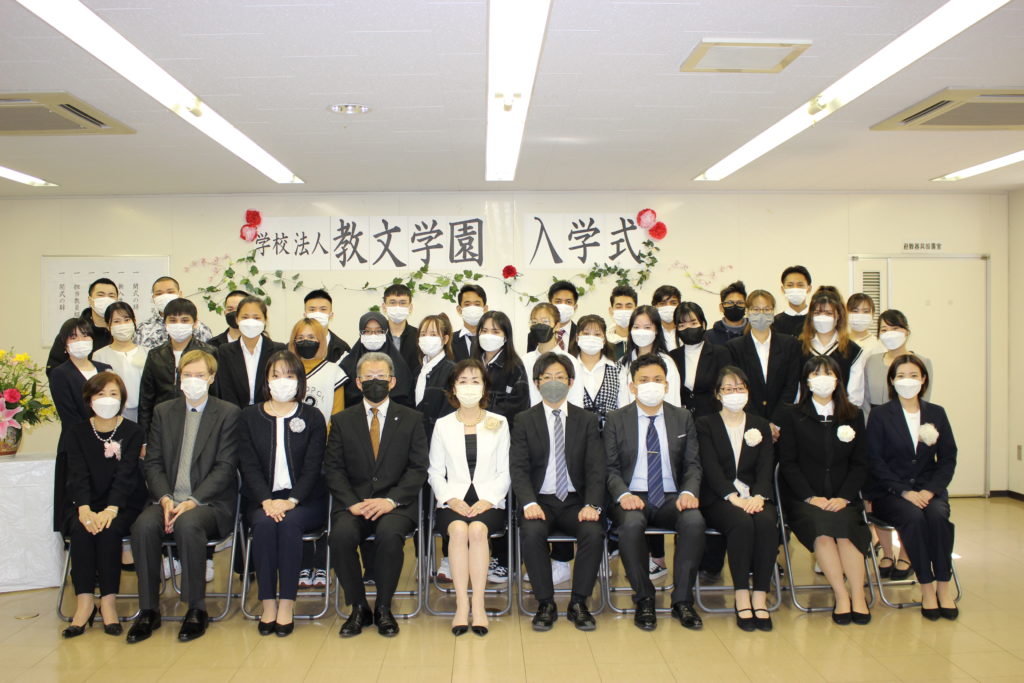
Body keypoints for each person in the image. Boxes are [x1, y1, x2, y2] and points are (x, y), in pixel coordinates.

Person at [127, 350, 240, 643]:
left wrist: (193, 501)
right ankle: (148, 609)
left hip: (208, 503)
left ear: (211, 378)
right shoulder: (164, 412)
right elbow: (153, 462)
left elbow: (225, 467)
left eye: (200, 375)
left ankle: (196, 608)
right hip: (166, 499)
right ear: (179, 378)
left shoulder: (228, 413)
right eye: (187, 375)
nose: (193, 381)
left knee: (188, 524)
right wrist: (165, 498)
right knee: (143, 526)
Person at [326, 352, 428, 638]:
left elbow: (418, 468)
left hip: (395, 503)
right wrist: (351, 503)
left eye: (381, 377)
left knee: (389, 536)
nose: (375, 382)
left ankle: (383, 607)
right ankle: (358, 607)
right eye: (368, 377)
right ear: (358, 383)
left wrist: (390, 500)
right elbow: (333, 469)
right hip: (354, 503)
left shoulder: (411, 419)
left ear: (392, 381)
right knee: (340, 536)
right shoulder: (342, 420)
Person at [604, 353, 705, 631]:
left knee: (694, 522)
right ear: (632, 386)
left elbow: (693, 465)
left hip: (673, 496)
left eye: (657, 380)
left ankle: (682, 600)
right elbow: (610, 468)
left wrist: (689, 492)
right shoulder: (616, 419)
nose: (651, 385)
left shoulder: (682, 417)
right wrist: (623, 495)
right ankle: (644, 597)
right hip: (632, 494)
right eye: (644, 380)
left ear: (667, 385)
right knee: (630, 525)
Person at [511, 353, 606, 632]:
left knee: (593, 532)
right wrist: (528, 503)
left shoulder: (586, 419)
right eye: (547, 377)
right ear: (537, 383)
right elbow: (518, 468)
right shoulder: (524, 420)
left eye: (560, 377)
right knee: (531, 532)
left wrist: (592, 505)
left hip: (576, 501)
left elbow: (596, 468)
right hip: (539, 500)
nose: (554, 382)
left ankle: (579, 603)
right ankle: (545, 603)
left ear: (571, 382)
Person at [238, 350, 328, 637]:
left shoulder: (312, 416)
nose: (282, 381)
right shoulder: (249, 416)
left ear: (299, 380)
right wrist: (266, 500)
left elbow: (313, 467)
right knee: (264, 526)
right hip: (262, 499)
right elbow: (248, 464)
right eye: (275, 375)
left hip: (304, 500)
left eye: (289, 375)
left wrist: (290, 501)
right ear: (266, 380)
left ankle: (287, 604)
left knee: (289, 525)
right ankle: (268, 604)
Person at [776, 356, 871, 625]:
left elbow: (860, 463)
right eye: (816, 374)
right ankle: (841, 596)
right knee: (823, 531)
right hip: (805, 499)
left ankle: (858, 595)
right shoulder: (792, 415)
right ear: (806, 381)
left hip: (843, 497)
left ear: (838, 379)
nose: (822, 379)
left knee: (847, 533)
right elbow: (788, 463)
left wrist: (844, 497)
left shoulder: (853, 414)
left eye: (828, 373)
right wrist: (810, 497)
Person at [866, 355, 958, 621]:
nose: (908, 381)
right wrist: (904, 491)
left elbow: (948, 458)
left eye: (914, 375)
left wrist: (930, 490)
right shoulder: (880, 415)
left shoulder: (936, 413)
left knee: (938, 516)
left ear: (923, 379)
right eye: (901, 376)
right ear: (892, 381)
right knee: (914, 518)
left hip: (928, 489)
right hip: (891, 492)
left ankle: (944, 586)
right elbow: (874, 460)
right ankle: (926, 586)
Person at [428, 359, 511, 636]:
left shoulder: (499, 423)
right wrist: (449, 499)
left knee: (477, 531)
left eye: (475, 381)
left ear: (484, 387)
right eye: (463, 381)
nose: (469, 386)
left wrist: (490, 499)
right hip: (453, 499)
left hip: (489, 500)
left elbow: (506, 470)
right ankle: (462, 604)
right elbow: (435, 471)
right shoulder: (443, 425)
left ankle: (479, 603)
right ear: (453, 387)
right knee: (458, 530)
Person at [63, 372, 146, 638]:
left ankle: (108, 603)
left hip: (123, 503)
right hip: (86, 503)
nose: (107, 399)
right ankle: (84, 603)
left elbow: (126, 474)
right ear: (90, 399)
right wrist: (84, 508)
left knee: (110, 530)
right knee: (81, 529)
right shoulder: (76, 432)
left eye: (113, 394)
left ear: (122, 399)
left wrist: (112, 508)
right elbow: (77, 473)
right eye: (100, 394)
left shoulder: (133, 431)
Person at [696, 367, 777, 632]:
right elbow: (710, 467)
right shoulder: (705, 424)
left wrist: (759, 496)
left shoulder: (760, 424)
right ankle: (741, 594)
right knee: (741, 523)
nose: (735, 393)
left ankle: (760, 595)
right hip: (719, 499)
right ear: (718, 394)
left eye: (740, 388)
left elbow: (766, 467)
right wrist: (733, 497)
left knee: (766, 523)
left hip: (755, 496)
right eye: (728, 389)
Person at [287, 317, 345, 590]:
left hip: (324, 452)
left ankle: (322, 564)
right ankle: (301, 564)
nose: (306, 342)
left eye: (312, 337)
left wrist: (327, 448)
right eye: (300, 337)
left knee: (323, 507)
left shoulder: (333, 371)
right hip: (290, 453)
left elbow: (338, 414)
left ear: (322, 341)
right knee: (296, 506)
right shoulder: (286, 370)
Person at [471, 310, 529, 583]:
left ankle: (508, 559)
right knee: (482, 498)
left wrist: (484, 417)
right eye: (484, 330)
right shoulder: (472, 365)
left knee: (504, 501)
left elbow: (518, 407)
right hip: (473, 445)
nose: (489, 336)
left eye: (495, 331)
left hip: (504, 445)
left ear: (506, 336)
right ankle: (491, 554)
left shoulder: (514, 367)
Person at [50, 317, 113, 531]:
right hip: (76, 447)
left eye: (85, 336)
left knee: (107, 509)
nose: (81, 341)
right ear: (64, 344)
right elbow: (69, 416)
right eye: (73, 337)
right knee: (80, 509)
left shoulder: (105, 369)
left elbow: (116, 406)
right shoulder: (60, 373)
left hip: (108, 444)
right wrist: (96, 438)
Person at [138, 298, 215, 439]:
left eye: (185, 320)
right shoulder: (155, 355)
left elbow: (216, 394)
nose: (178, 325)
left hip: (200, 420)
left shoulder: (209, 352)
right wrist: (144, 438)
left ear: (195, 323)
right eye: (173, 320)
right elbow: (146, 399)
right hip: (163, 421)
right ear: (165, 323)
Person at [726, 289, 801, 430]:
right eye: (756, 309)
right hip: (748, 422)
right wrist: (760, 423)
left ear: (773, 312)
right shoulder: (734, 347)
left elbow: (791, 386)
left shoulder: (789, 344)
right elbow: (738, 387)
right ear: (747, 312)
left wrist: (775, 423)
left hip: (782, 423)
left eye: (767, 309)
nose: (761, 314)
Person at [798, 287, 866, 407]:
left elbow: (855, 395)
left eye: (829, 313)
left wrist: (845, 414)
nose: (822, 317)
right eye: (817, 313)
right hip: (804, 414)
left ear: (839, 315)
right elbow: (795, 389)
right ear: (810, 316)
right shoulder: (799, 347)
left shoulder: (853, 350)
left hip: (841, 413)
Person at [215, 295, 286, 409]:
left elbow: (279, 386)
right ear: (237, 319)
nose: (250, 322)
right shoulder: (225, 351)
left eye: (256, 317)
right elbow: (226, 390)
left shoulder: (278, 350)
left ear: (265, 319)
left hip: (269, 412)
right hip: (235, 413)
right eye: (245, 317)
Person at [340, 311, 414, 408]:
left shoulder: (399, 365)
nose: (373, 335)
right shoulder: (347, 365)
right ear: (360, 333)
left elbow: (406, 398)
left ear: (386, 332)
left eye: (379, 331)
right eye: (367, 331)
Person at [864, 309, 933, 411]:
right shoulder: (872, 361)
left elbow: (924, 400)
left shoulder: (922, 362)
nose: (889, 334)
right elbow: (866, 400)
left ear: (907, 332)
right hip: (875, 417)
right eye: (884, 330)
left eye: (895, 328)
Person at [46, 278, 118, 376]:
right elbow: (54, 367)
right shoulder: (73, 330)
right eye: (100, 295)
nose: (106, 299)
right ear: (90, 300)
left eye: (111, 296)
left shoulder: (123, 331)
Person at [671, 302, 730, 417]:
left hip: (713, 418)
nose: (688, 328)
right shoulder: (672, 357)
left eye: (693, 323)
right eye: (682, 325)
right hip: (682, 420)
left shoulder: (720, 353)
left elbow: (726, 389)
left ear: (703, 324)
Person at [617, 305, 681, 409]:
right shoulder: (623, 363)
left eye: (647, 327)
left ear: (657, 330)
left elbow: (673, 401)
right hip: (630, 417)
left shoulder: (667, 362)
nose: (641, 332)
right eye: (636, 327)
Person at [93, 302, 147, 423]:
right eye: (117, 321)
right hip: (112, 414)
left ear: (134, 322)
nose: (122, 325)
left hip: (144, 414)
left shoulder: (148, 353)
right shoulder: (99, 356)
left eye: (127, 320)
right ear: (108, 326)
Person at [522, 303, 585, 407]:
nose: (539, 326)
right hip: (529, 416)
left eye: (545, 321)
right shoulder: (524, 361)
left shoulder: (571, 361)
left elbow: (576, 400)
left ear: (557, 326)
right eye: (534, 322)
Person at [569, 314, 623, 429]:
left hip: (610, 432)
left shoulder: (617, 368)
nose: (591, 338)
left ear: (604, 340)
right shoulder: (568, 368)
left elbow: (624, 407)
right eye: (586, 333)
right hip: (576, 431)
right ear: (577, 338)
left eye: (597, 334)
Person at [135, 276, 214, 350]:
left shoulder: (200, 329)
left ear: (180, 294)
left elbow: (209, 356)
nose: (165, 296)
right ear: (153, 298)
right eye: (159, 293)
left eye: (170, 292)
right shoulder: (142, 329)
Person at [415, 314, 456, 439]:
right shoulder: (417, 371)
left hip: (441, 437)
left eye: (433, 334)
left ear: (445, 339)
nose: (427, 338)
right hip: (418, 437)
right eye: (423, 334)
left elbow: (450, 411)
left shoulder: (452, 371)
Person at [527, 281, 579, 352]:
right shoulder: (535, 334)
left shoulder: (581, 334)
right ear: (550, 304)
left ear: (575, 307)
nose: (563, 305)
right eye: (558, 301)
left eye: (568, 302)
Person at [303, 289, 351, 362]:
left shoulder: (342, 349)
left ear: (331, 315)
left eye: (323, 309)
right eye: (312, 310)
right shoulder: (292, 347)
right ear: (305, 315)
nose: (318, 313)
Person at [382, 284, 420, 376]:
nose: (397, 307)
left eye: (403, 303)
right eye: (392, 302)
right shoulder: (375, 336)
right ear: (384, 307)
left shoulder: (419, 336)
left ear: (410, 307)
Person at [772, 265, 813, 338]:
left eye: (800, 285)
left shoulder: (816, 319)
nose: (795, 289)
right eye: (790, 285)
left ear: (809, 288)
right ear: (783, 289)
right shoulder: (775, 322)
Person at [705, 281, 749, 347]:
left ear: (746, 307)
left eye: (740, 303)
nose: (735, 306)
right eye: (730, 303)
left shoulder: (754, 333)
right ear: (721, 307)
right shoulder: (708, 337)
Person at [453, 284, 488, 362]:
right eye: (467, 304)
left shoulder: (492, 339)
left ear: (485, 309)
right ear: (459, 310)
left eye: (477, 304)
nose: (472, 308)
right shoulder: (449, 341)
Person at [846, 293, 882, 358]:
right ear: (846, 313)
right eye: (855, 311)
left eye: (866, 311)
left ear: (873, 314)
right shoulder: (839, 342)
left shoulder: (878, 345)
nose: (860, 315)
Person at [607, 284, 638, 360]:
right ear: (611, 311)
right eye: (619, 307)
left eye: (629, 306)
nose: (624, 310)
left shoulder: (644, 340)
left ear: (636, 310)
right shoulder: (604, 342)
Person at [651, 284, 682, 351]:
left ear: (679, 305)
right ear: (655, 307)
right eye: (662, 304)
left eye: (673, 303)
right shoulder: (651, 332)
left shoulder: (685, 330)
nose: (668, 307)